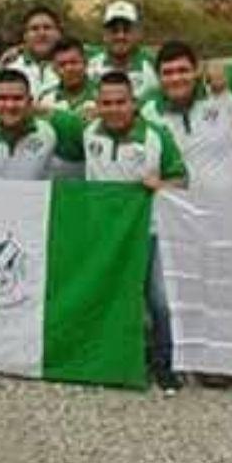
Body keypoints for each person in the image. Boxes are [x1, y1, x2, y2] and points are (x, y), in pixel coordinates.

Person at [84, 71, 187, 393]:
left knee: (160, 301)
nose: (114, 109)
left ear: (135, 103)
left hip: (151, 232)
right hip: (105, 234)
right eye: (107, 103)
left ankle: (165, 365)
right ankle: (106, 359)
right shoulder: (88, 132)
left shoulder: (156, 136)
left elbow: (182, 180)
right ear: (96, 105)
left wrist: (161, 185)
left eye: (121, 102)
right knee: (108, 297)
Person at [141, 41, 232, 193]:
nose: (176, 78)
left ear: (196, 70)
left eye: (183, 70)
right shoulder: (147, 111)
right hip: (182, 211)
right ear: (158, 77)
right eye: (168, 73)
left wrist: (222, 70)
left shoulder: (224, 88)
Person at [0, 69, 84, 180]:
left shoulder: (49, 132)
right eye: (2, 98)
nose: (10, 105)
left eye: (17, 98)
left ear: (30, 101)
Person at [85, 0, 158, 101]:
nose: (120, 36)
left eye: (126, 30)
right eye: (114, 30)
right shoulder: (88, 63)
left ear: (137, 33)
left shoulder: (154, 65)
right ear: (104, 34)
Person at [2, 5, 63, 99]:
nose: (41, 33)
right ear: (25, 36)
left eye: (47, 28)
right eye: (34, 29)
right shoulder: (11, 67)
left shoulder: (74, 65)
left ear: (59, 33)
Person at [37, 37, 98, 116]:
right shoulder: (45, 99)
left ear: (86, 63)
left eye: (74, 62)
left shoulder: (104, 94)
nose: (69, 69)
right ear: (54, 69)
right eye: (62, 64)